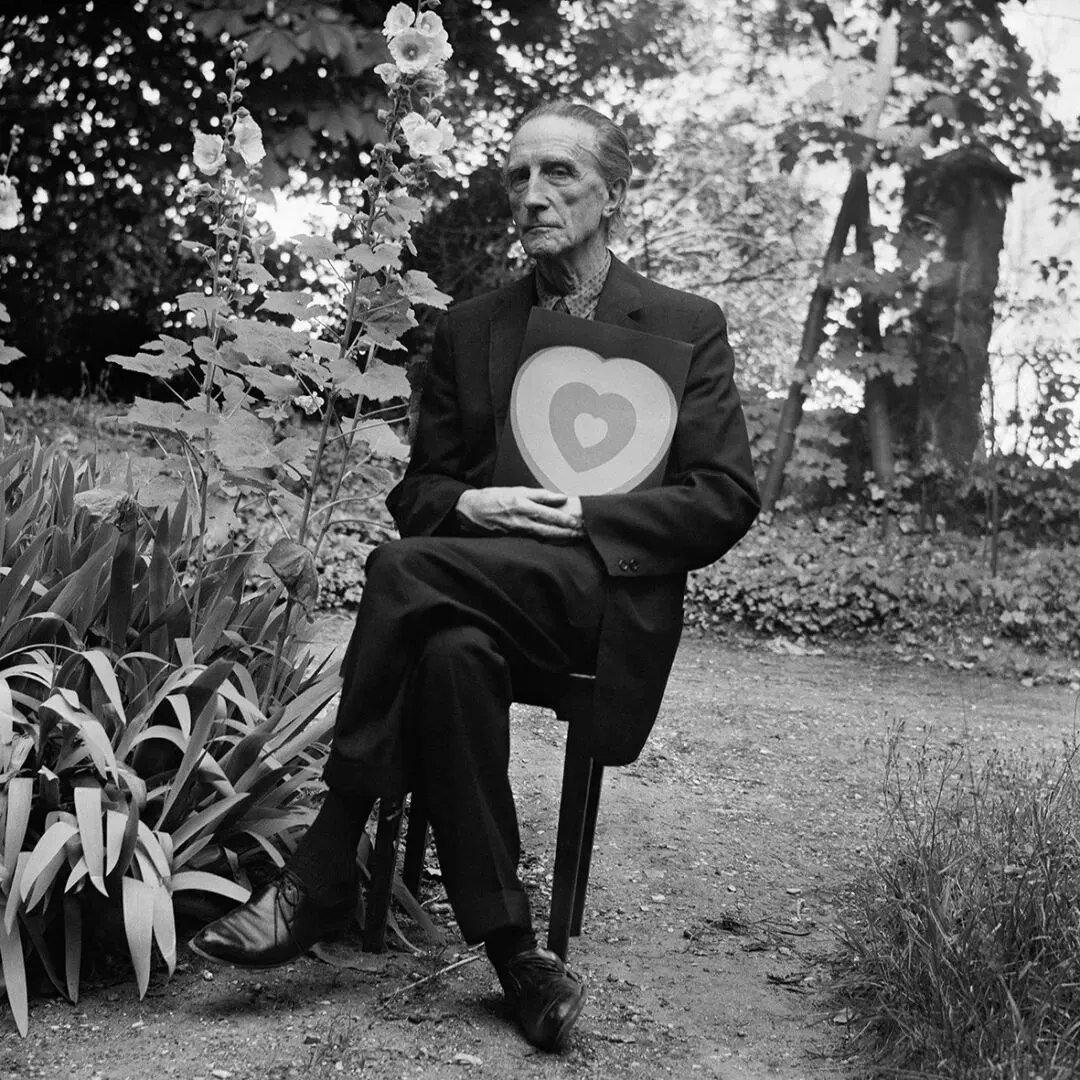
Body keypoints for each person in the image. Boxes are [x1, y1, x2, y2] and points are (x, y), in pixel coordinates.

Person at [190, 101, 760, 1052]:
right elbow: (421, 493)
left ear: (613, 194)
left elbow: (724, 498)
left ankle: (323, 865)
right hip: (475, 590)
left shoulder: (684, 325)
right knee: (449, 651)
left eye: (559, 173)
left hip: (597, 597)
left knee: (398, 573)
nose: (532, 195)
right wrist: (474, 505)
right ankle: (517, 959)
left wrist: (587, 516)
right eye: (517, 176)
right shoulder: (473, 327)